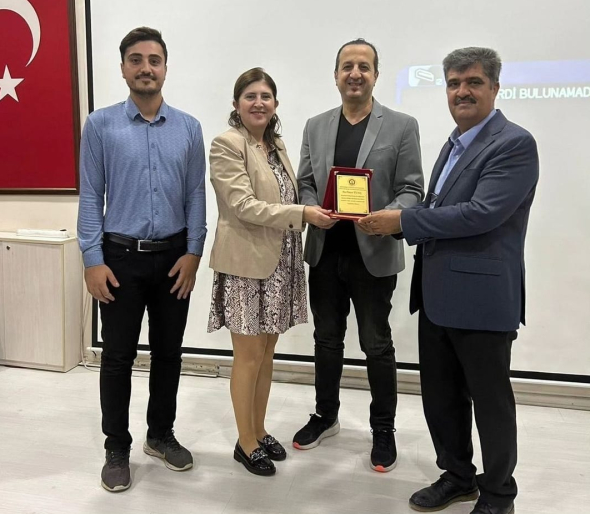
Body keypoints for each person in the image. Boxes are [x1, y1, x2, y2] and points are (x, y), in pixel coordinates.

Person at [359, 47, 539, 514]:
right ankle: (458, 476)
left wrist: (402, 221)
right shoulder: (454, 143)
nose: (462, 92)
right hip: (438, 296)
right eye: (454, 83)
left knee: (490, 402)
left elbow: (481, 214)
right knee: (442, 398)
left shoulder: (514, 143)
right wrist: (391, 215)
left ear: (494, 87)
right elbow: (437, 206)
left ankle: (498, 495)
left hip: (482, 299)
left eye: (473, 82)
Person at [77, 27, 206, 492]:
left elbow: (195, 195)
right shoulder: (100, 125)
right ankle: (117, 447)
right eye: (136, 59)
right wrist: (92, 258)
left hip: (173, 258)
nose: (146, 68)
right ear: (123, 68)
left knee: (169, 354)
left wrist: (194, 251)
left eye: (154, 60)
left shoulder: (189, 128)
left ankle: (160, 435)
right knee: (117, 358)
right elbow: (90, 195)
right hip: (119, 260)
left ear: (165, 68)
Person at [294, 39, 424, 472]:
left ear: (375, 76)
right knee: (326, 340)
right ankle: (325, 415)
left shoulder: (402, 126)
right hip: (325, 252)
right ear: (335, 76)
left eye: (364, 67)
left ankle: (383, 429)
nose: (355, 73)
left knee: (376, 344)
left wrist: (390, 216)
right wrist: (312, 209)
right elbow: (305, 181)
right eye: (347, 66)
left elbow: (412, 188)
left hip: (374, 255)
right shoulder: (315, 126)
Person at [208, 67, 333, 476]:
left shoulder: (275, 145)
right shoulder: (227, 144)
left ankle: (259, 430)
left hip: (280, 263)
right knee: (247, 358)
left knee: (265, 355)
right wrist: (303, 213)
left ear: (275, 104)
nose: (259, 103)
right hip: (246, 266)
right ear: (236, 104)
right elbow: (242, 205)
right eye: (250, 96)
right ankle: (244, 442)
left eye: (265, 96)